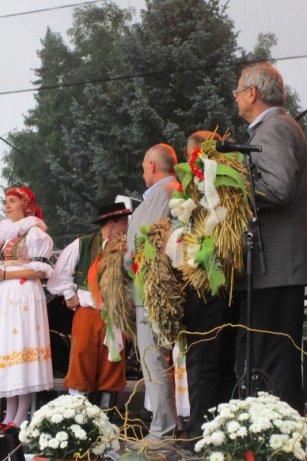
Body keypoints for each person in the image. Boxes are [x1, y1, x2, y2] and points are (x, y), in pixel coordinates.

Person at [231, 63, 307, 413]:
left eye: (238, 90)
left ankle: (279, 443)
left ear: (252, 93)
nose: (235, 97)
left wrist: (231, 190)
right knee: (265, 364)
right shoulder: (270, 128)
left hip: (277, 269)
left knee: (272, 366)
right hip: (272, 269)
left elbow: (279, 189)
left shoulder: (275, 128)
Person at [0, 186, 54, 433]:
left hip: (23, 295)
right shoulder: (5, 235)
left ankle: (20, 416)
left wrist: (5, 273)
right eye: (6, 201)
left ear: (26, 205)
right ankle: (9, 414)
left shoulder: (35, 233)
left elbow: (40, 270)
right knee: (7, 351)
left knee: (21, 349)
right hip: (5, 293)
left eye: (13, 201)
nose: (7, 205)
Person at [181, 131, 237, 444]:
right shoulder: (219, 185)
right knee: (219, 358)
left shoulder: (208, 187)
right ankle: (218, 429)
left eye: (189, 155)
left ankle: (199, 433)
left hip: (206, 281)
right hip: (221, 285)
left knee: (204, 360)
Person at [47, 202, 131, 407]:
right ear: (112, 223)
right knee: (81, 360)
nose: (127, 226)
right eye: (124, 222)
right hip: (87, 312)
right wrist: (68, 294)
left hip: (115, 315)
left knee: (112, 363)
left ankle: (106, 416)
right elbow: (58, 275)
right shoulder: (82, 244)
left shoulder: (128, 248)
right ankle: (79, 414)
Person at [125, 143, 180, 446]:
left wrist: (125, 260)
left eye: (143, 166)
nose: (142, 171)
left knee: (154, 360)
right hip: (149, 288)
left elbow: (149, 238)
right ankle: (161, 430)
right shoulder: (165, 191)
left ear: (152, 166)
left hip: (153, 289)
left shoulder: (164, 192)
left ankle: (162, 434)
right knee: (154, 361)